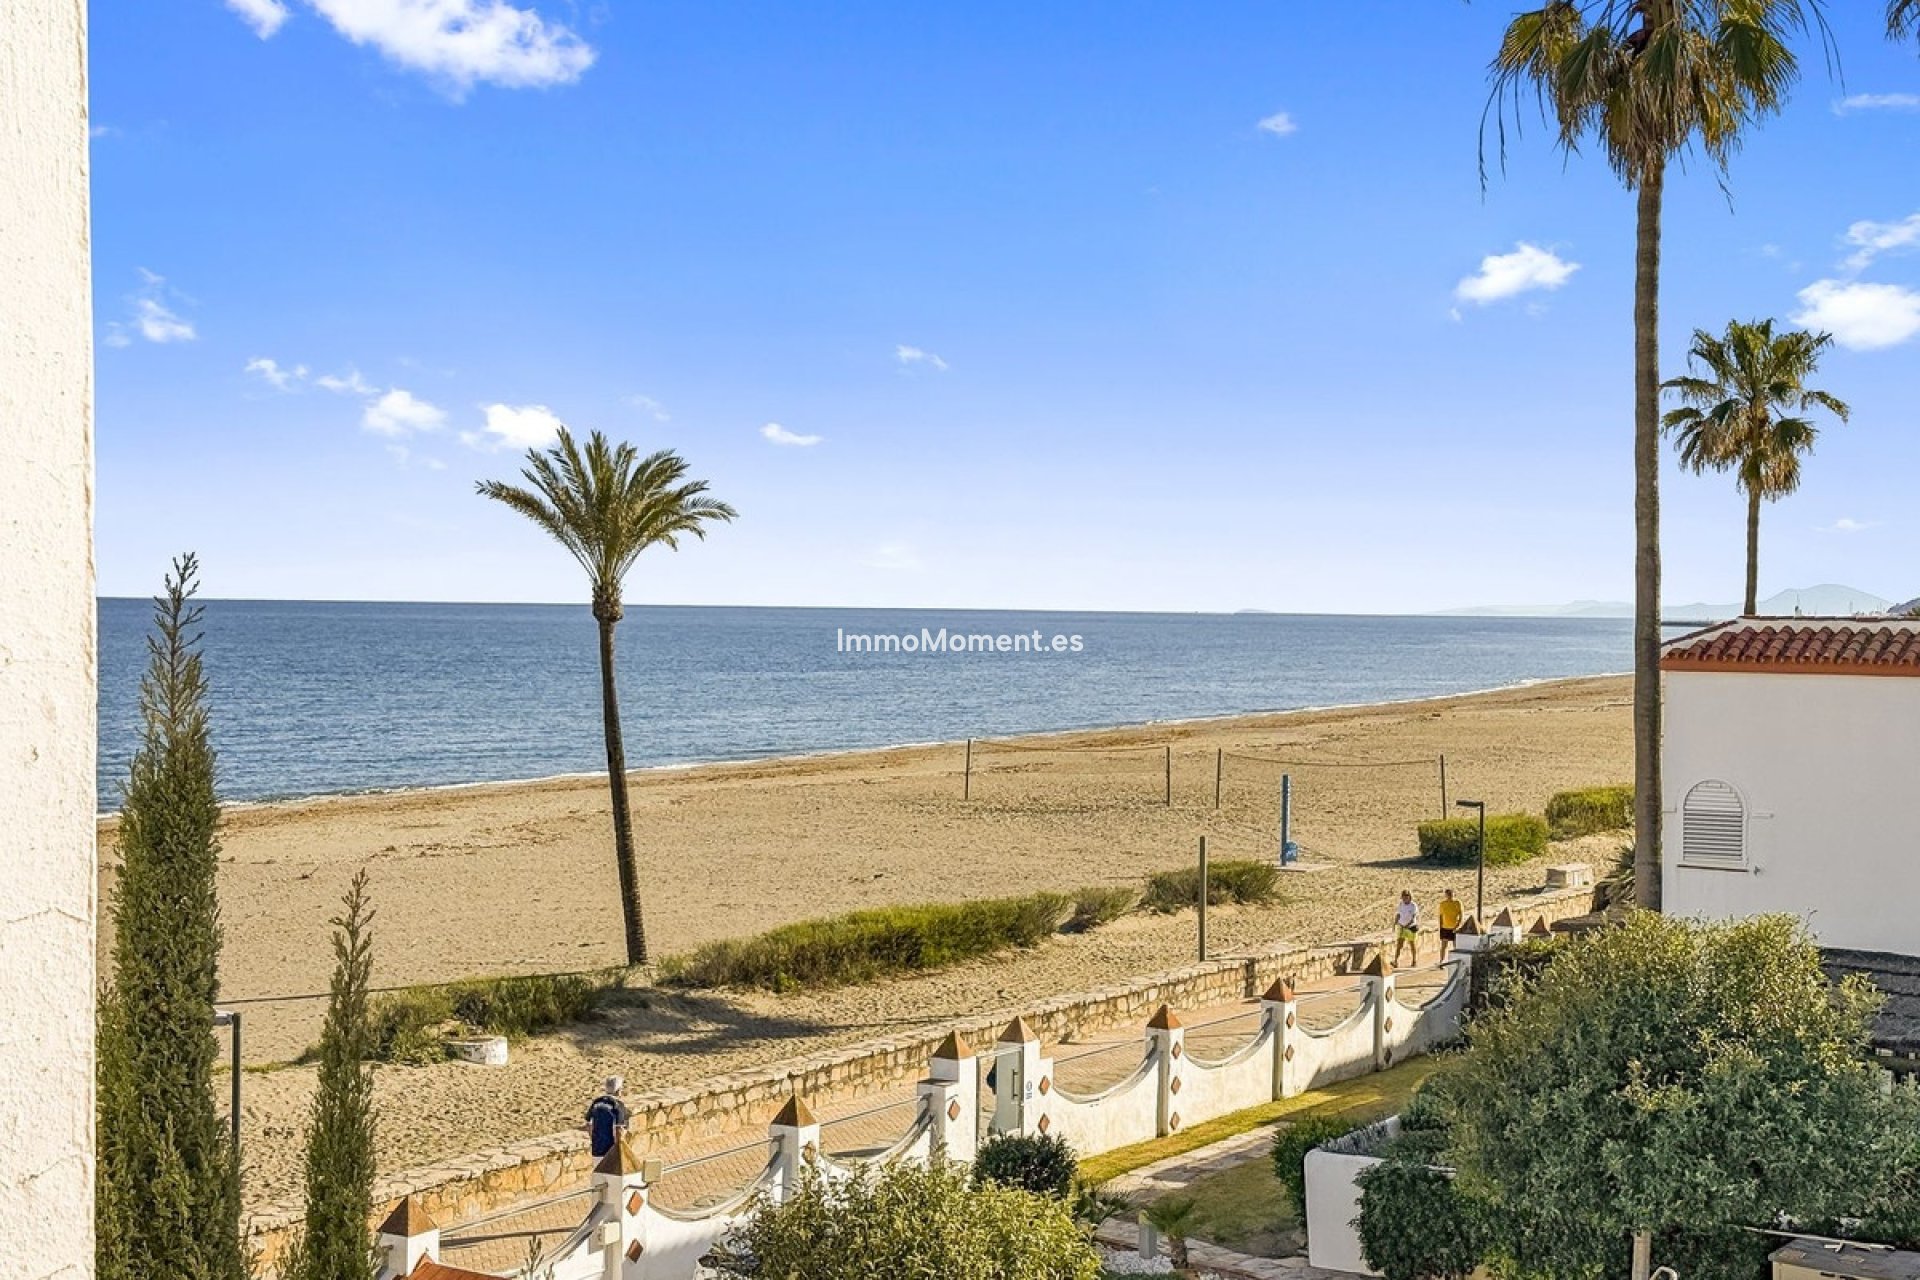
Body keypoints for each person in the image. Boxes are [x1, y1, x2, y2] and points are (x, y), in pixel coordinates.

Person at [586, 1074, 630, 1158]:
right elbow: (619, 1129)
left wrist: (594, 1140)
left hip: (597, 1149)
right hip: (610, 1149)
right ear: (619, 1090)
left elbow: (588, 1125)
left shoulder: (596, 1102)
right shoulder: (618, 1105)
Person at [1392, 890, 1418, 967]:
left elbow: (1413, 918)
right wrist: (1395, 923)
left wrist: (1407, 925)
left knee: (1412, 944)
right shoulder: (1401, 904)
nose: (1405, 898)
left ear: (1409, 897)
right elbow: (1398, 914)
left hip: (1410, 927)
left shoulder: (1413, 906)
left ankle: (1414, 960)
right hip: (1401, 926)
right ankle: (1396, 961)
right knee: (1399, 944)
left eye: (1406, 896)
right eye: (1403, 896)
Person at [1437, 888, 1463, 961]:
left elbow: (1461, 915)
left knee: (1456, 946)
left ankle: (1457, 960)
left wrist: (1458, 925)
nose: (1449, 896)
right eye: (1447, 894)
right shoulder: (1442, 904)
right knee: (1443, 946)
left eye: (1450, 894)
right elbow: (1441, 916)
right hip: (1445, 928)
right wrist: (1441, 927)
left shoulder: (1457, 903)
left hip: (1455, 927)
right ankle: (1441, 961)